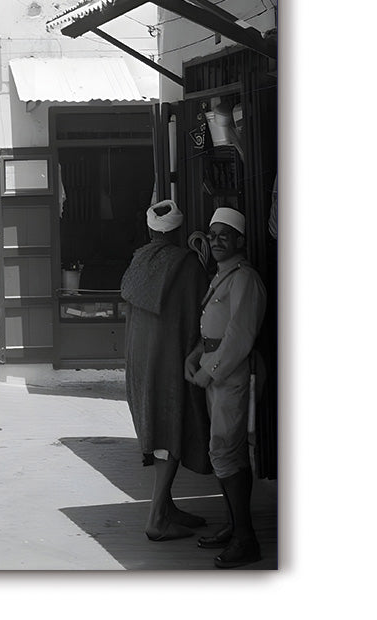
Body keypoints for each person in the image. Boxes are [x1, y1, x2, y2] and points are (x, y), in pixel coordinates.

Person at [118, 200, 212, 541]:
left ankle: (167, 507)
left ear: (151, 229)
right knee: (170, 432)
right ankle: (157, 517)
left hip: (140, 362)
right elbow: (204, 311)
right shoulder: (187, 264)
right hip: (173, 361)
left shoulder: (139, 259)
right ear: (178, 230)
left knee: (158, 431)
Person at [185, 207, 267, 569]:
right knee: (223, 451)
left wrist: (209, 371)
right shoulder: (223, 275)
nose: (217, 241)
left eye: (225, 235)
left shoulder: (244, 279)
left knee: (227, 451)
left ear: (240, 241)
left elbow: (239, 336)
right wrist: (197, 353)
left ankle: (245, 539)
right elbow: (215, 328)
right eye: (213, 234)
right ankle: (235, 527)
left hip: (230, 375)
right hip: (216, 369)